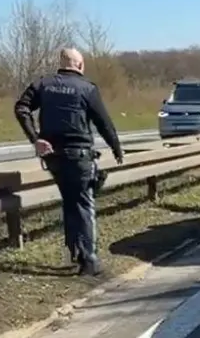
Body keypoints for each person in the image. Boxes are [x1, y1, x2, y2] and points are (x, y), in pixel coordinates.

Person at [13, 47, 125, 276]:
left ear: (62, 63)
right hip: (79, 155)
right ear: (80, 65)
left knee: (70, 201)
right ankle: (89, 260)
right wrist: (116, 149)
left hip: (54, 156)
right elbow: (104, 123)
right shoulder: (87, 88)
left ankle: (77, 251)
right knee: (84, 204)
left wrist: (36, 139)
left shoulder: (43, 84)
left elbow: (21, 108)